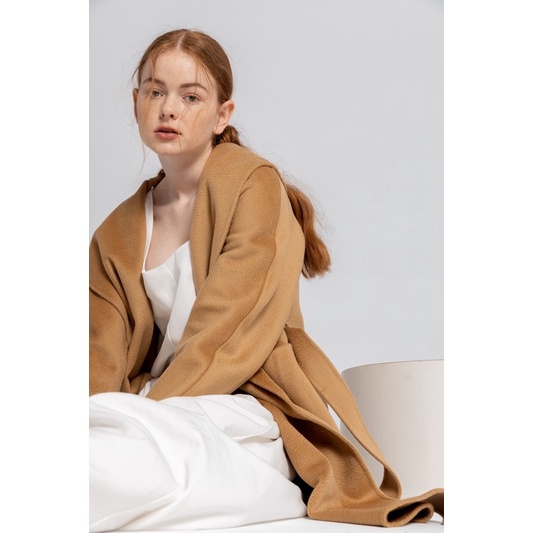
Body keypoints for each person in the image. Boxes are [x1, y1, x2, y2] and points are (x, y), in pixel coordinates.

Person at [89, 28, 443, 531]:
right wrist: (102, 411)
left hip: (248, 406)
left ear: (222, 115)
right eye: (155, 91)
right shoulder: (116, 231)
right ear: (136, 103)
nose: (168, 109)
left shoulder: (252, 187)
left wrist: (147, 413)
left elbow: (227, 332)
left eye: (191, 96)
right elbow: (99, 352)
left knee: (119, 464)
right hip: (156, 406)